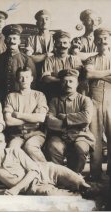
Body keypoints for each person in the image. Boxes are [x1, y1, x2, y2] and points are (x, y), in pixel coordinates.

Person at [0, 133, 91, 195]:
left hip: (46, 170)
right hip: (31, 186)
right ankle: (83, 195)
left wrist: (16, 188)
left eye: (1, 141)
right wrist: (2, 192)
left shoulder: (15, 151)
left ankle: (93, 190)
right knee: (57, 195)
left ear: (5, 143)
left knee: (80, 183)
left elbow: (34, 170)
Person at [46, 69, 95, 174]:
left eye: (71, 81)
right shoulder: (55, 101)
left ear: (77, 83)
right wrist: (72, 124)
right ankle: (60, 175)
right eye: (64, 81)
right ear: (61, 83)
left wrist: (65, 117)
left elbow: (86, 118)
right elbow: (50, 121)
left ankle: (76, 175)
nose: (68, 84)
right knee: (54, 146)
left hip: (81, 135)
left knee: (81, 147)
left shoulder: (85, 100)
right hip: (60, 135)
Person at [4, 67, 48, 162]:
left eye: (27, 77)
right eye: (21, 77)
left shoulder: (39, 95)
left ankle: (47, 172)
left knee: (30, 147)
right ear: (17, 79)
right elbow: (8, 121)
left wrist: (19, 115)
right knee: (12, 151)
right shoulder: (11, 96)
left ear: (31, 79)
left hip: (35, 133)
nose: (24, 80)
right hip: (17, 135)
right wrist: (31, 119)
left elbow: (41, 118)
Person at [84, 28, 111, 180]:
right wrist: (108, 73)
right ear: (94, 42)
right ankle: (95, 173)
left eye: (105, 38)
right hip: (94, 100)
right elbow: (88, 74)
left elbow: (93, 75)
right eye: (99, 39)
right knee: (95, 137)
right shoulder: (90, 59)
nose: (102, 41)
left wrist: (97, 75)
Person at [0, 24, 36, 104]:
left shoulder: (26, 59)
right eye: (9, 38)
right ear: (5, 41)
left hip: (20, 99)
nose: (12, 41)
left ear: (19, 41)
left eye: (14, 38)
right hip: (1, 98)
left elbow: (33, 82)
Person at [41, 31, 83, 100]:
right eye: (59, 43)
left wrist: (55, 76)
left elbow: (79, 78)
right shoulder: (49, 60)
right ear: (55, 45)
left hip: (72, 95)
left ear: (69, 45)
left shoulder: (76, 59)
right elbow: (46, 79)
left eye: (65, 43)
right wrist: (67, 80)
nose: (62, 46)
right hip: (54, 94)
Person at [25, 10, 54, 89]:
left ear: (50, 22)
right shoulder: (31, 38)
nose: (44, 22)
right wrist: (46, 55)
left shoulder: (55, 37)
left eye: (47, 19)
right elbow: (29, 59)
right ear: (37, 23)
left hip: (53, 71)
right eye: (41, 20)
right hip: (36, 70)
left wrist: (38, 57)